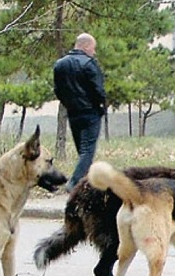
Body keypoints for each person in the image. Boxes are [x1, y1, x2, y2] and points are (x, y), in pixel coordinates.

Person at [53, 33, 106, 192]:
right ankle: (75, 183)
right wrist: (101, 106)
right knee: (87, 151)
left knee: (82, 151)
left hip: (73, 112)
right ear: (86, 46)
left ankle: (86, 185)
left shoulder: (60, 65)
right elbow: (98, 90)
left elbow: (58, 90)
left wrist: (68, 103)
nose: (94, 52)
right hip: (90, 112)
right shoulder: (89, 64)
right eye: (93, 48)